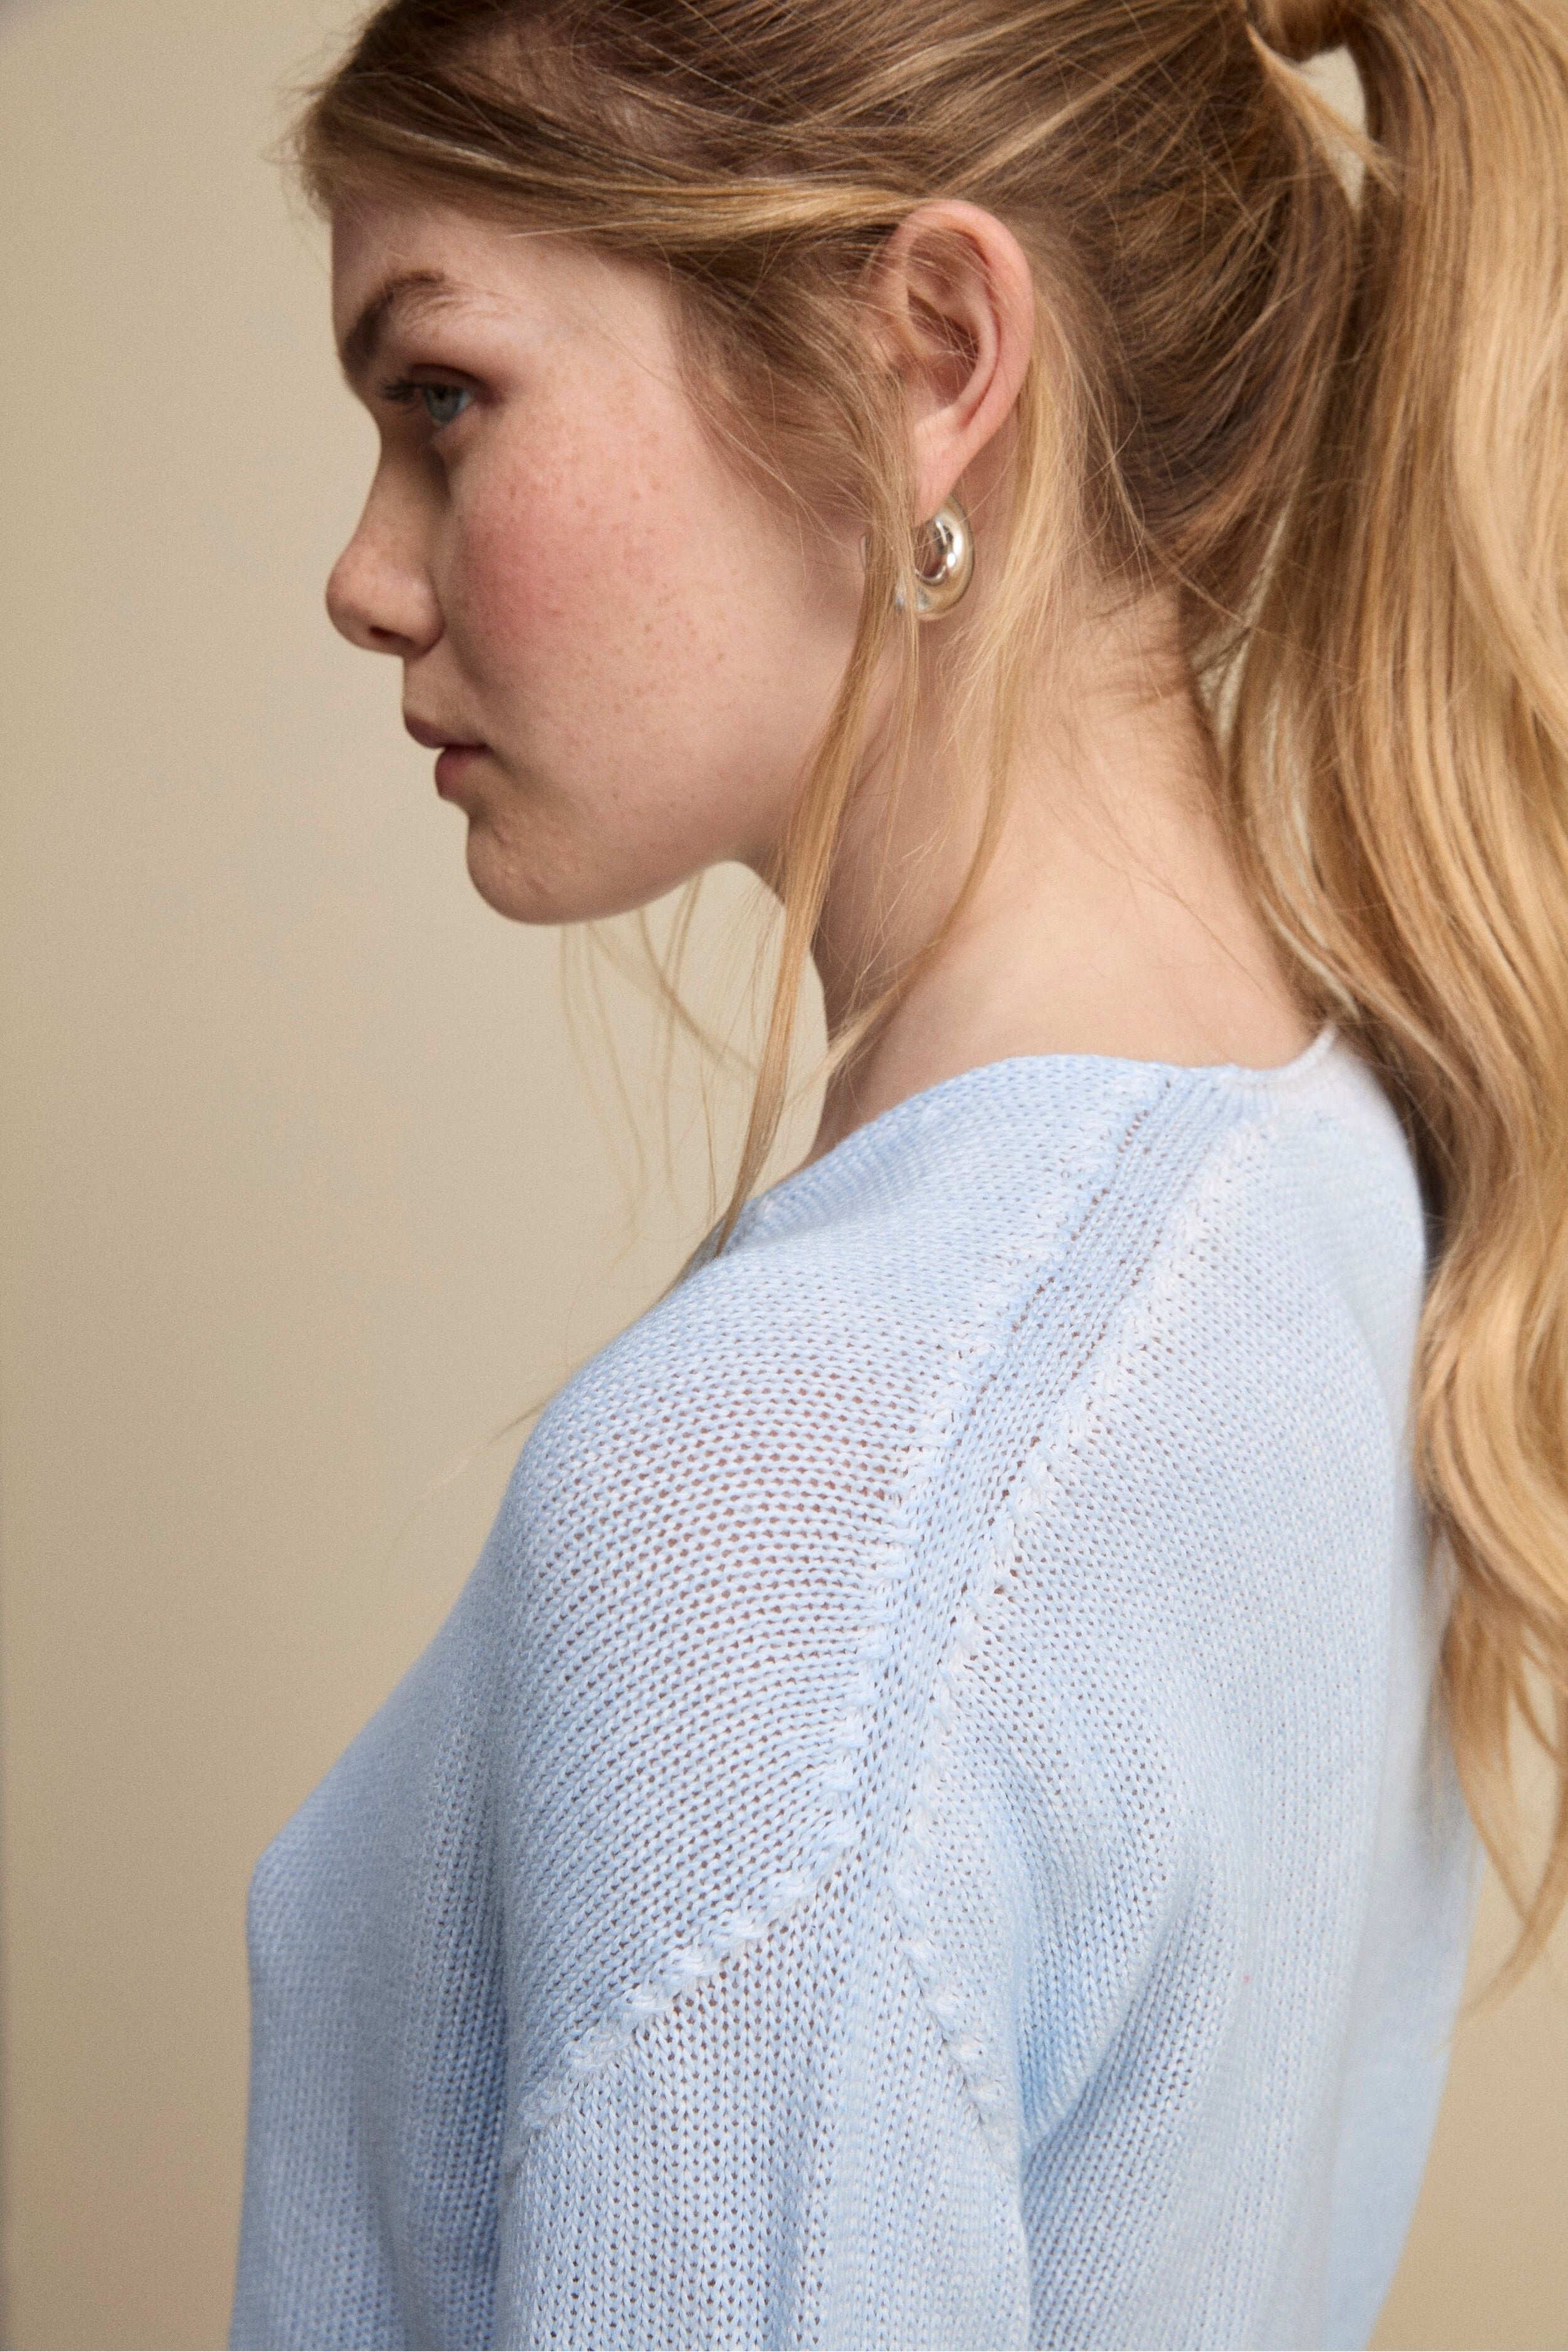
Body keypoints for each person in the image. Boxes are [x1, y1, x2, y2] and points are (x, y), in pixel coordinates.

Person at [229, 0, 1568, 2342]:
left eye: (443, 396)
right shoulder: (1327, 1180)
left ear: (931, 352)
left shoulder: (787, 1509)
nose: (363, 574)